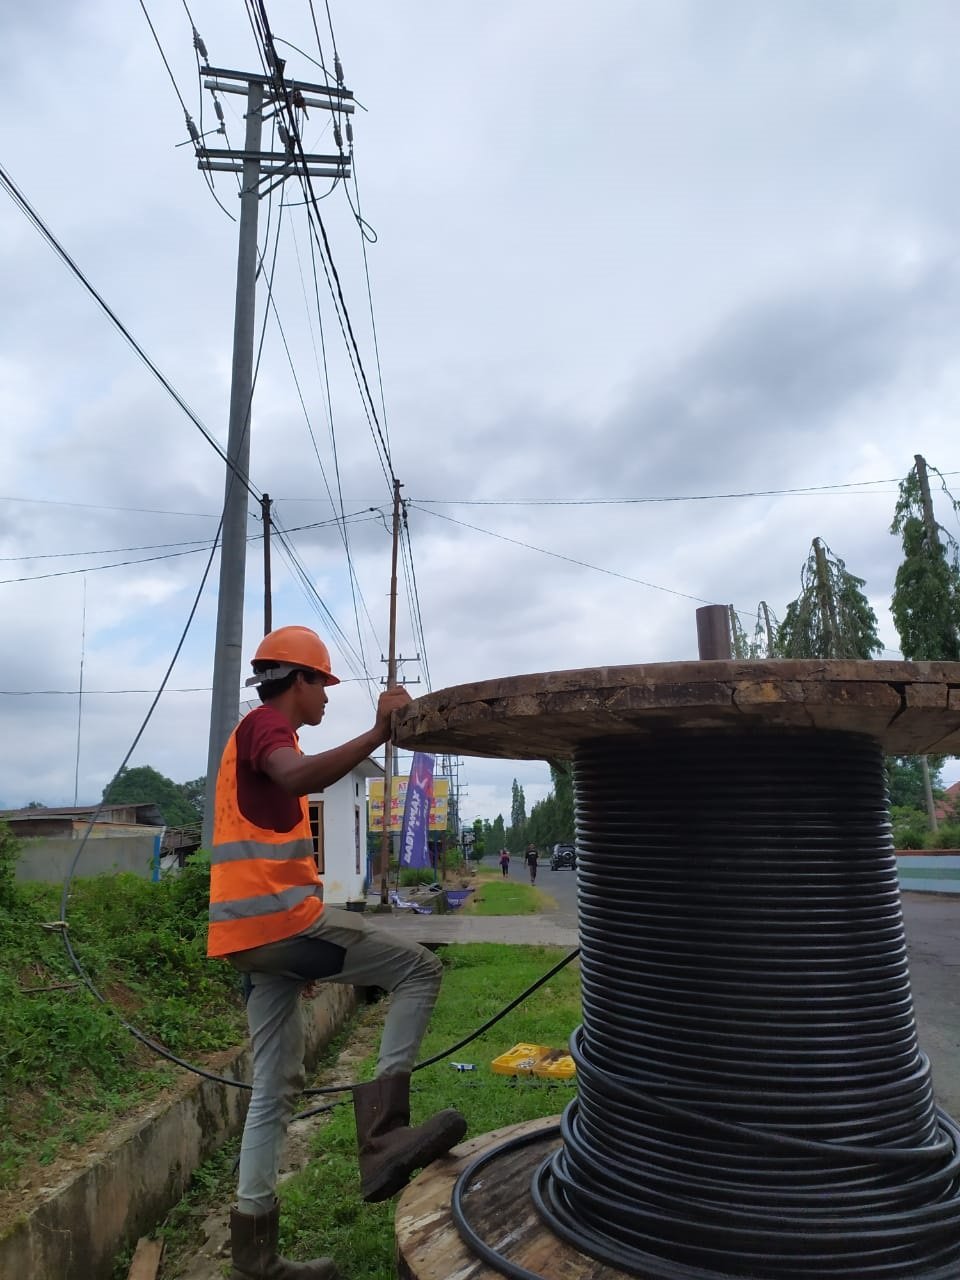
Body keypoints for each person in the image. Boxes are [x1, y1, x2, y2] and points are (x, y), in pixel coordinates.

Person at [208, 625, 466, 1280]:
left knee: (274, 1087)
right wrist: (380, 733)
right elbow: (294, 777)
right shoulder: (267, 730)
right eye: (324, 684)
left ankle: (255, 1258)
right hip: (282, 928)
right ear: (300, 682)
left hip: (253, 942)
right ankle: (382, 1137)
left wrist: (294, 958)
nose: (327, 697)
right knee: (419, 968)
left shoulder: (263, 736)